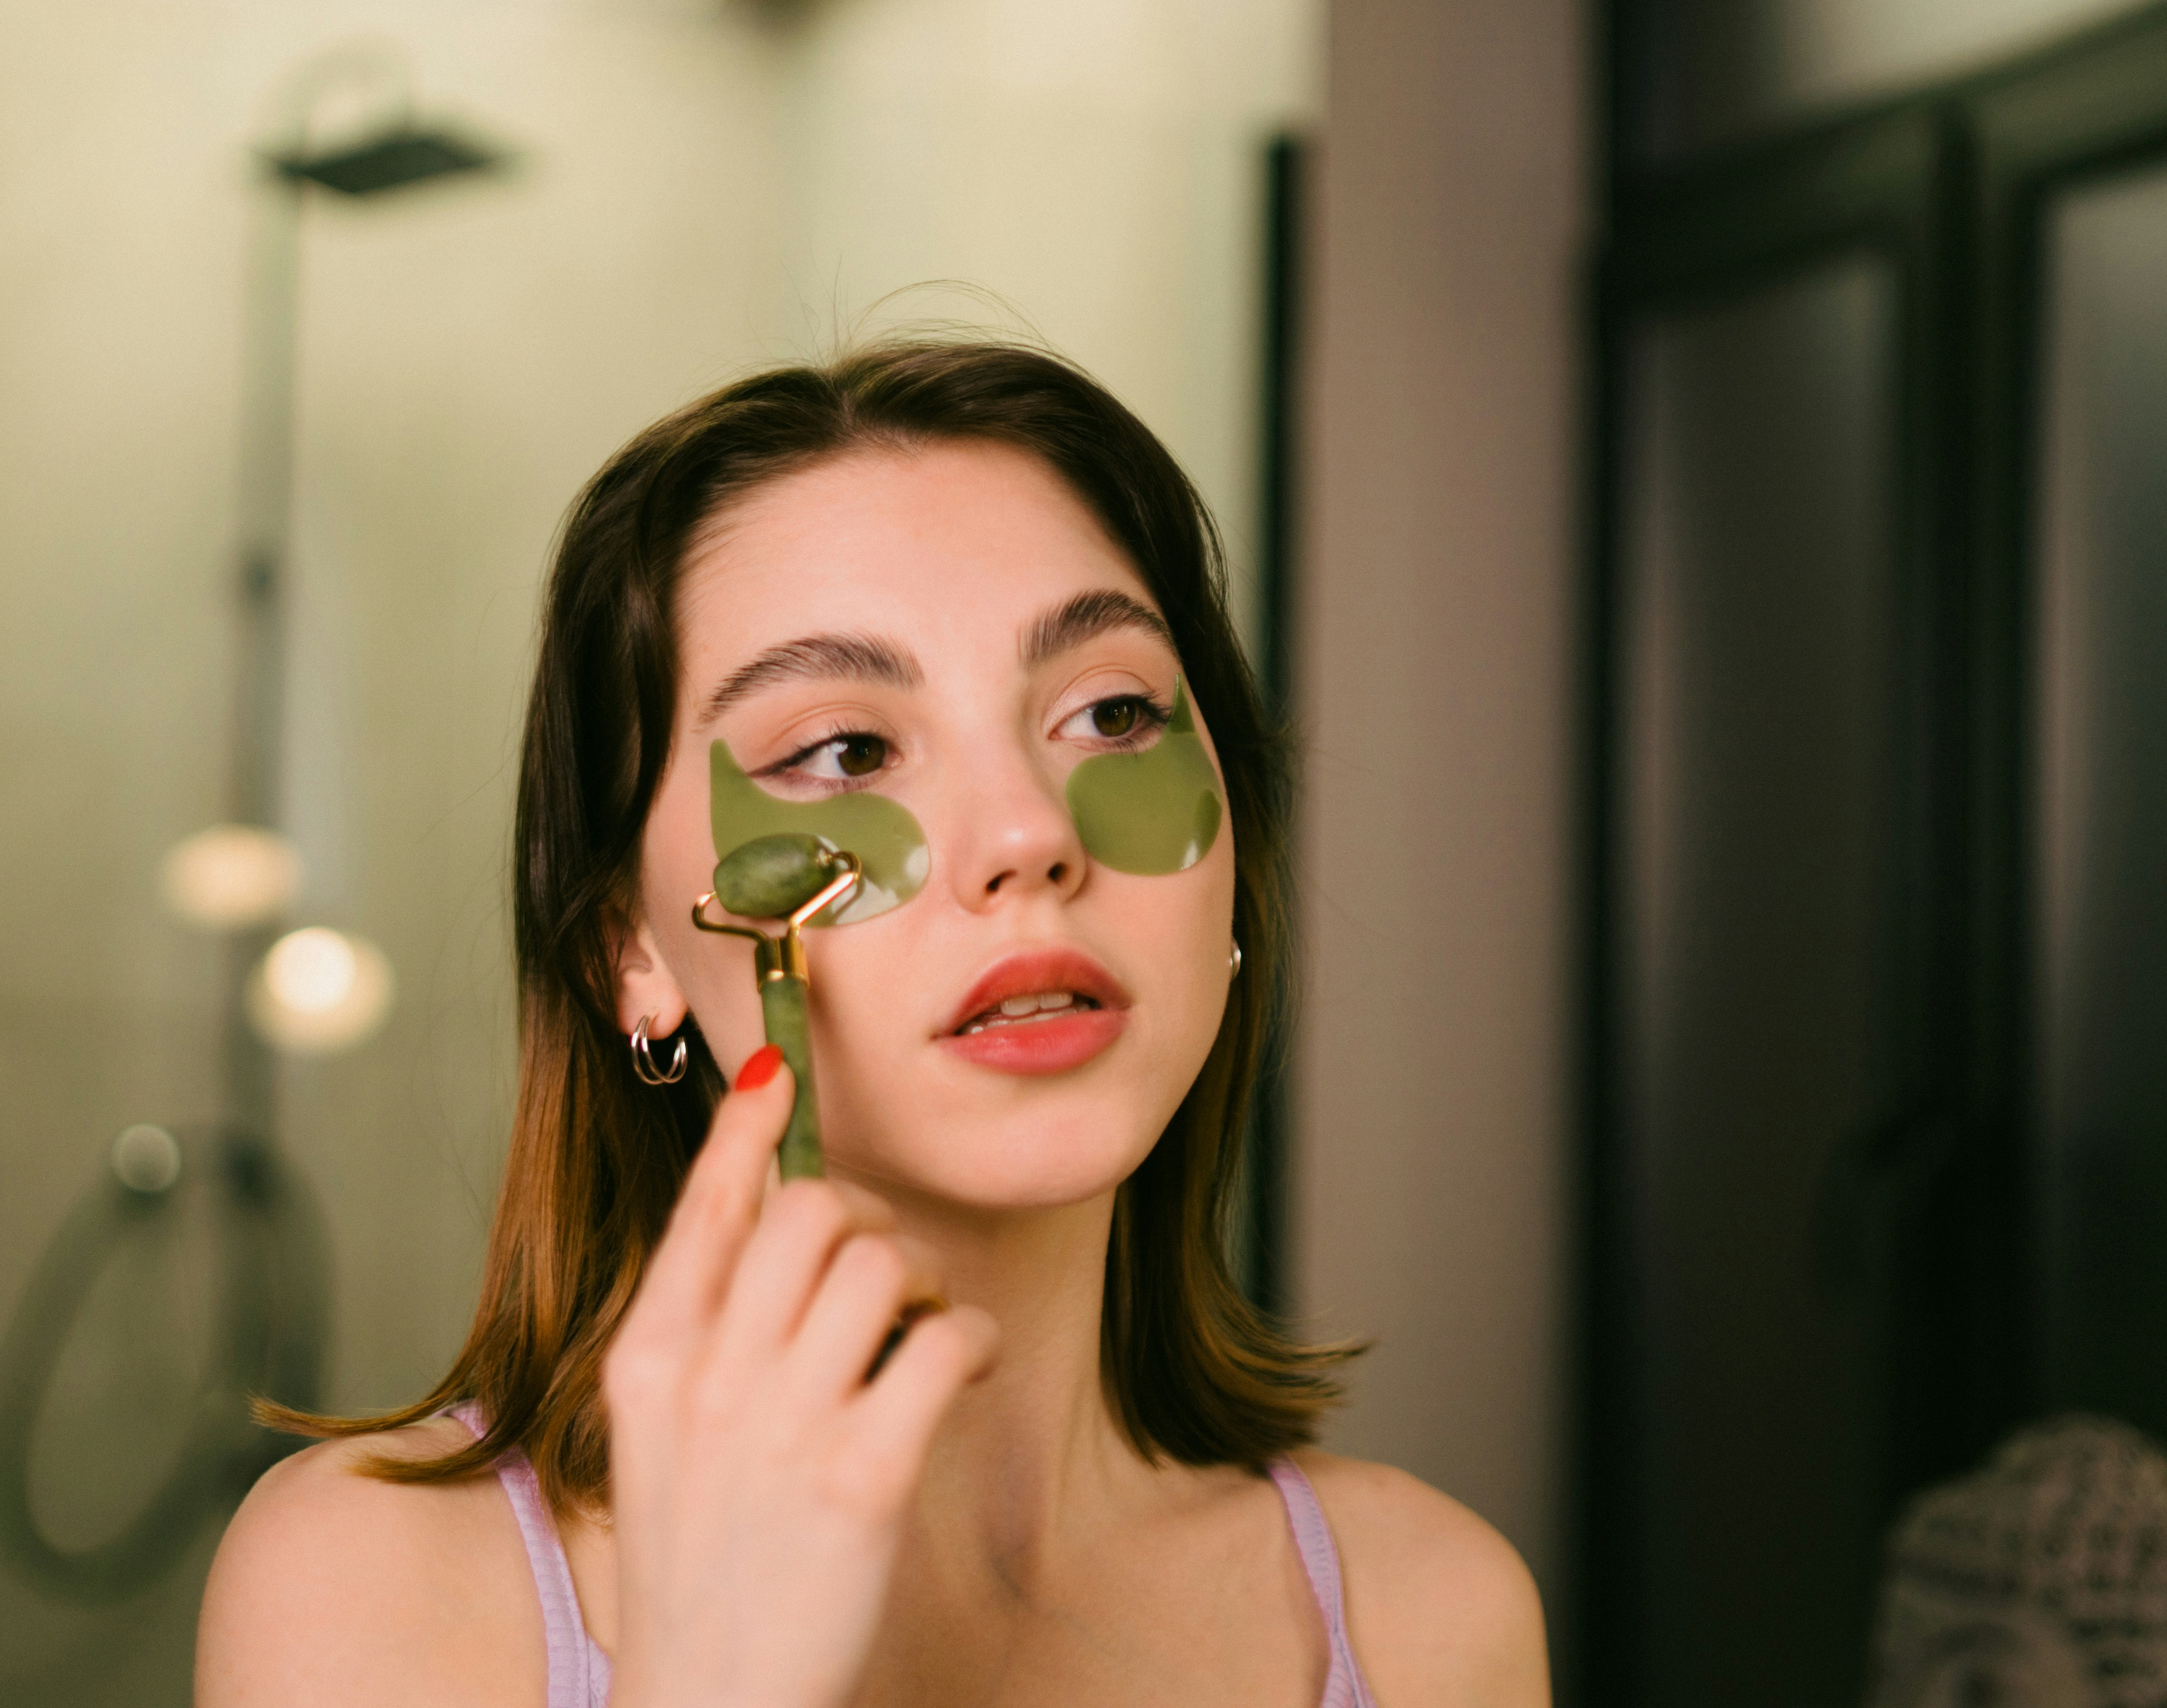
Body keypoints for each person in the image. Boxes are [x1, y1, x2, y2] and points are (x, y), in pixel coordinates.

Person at [195, 340, 1548, 1707]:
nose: (1028, 836)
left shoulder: (1433, 1621)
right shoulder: (372, 1592)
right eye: (846, 752)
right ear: (630, 951)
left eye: (1111, 712)